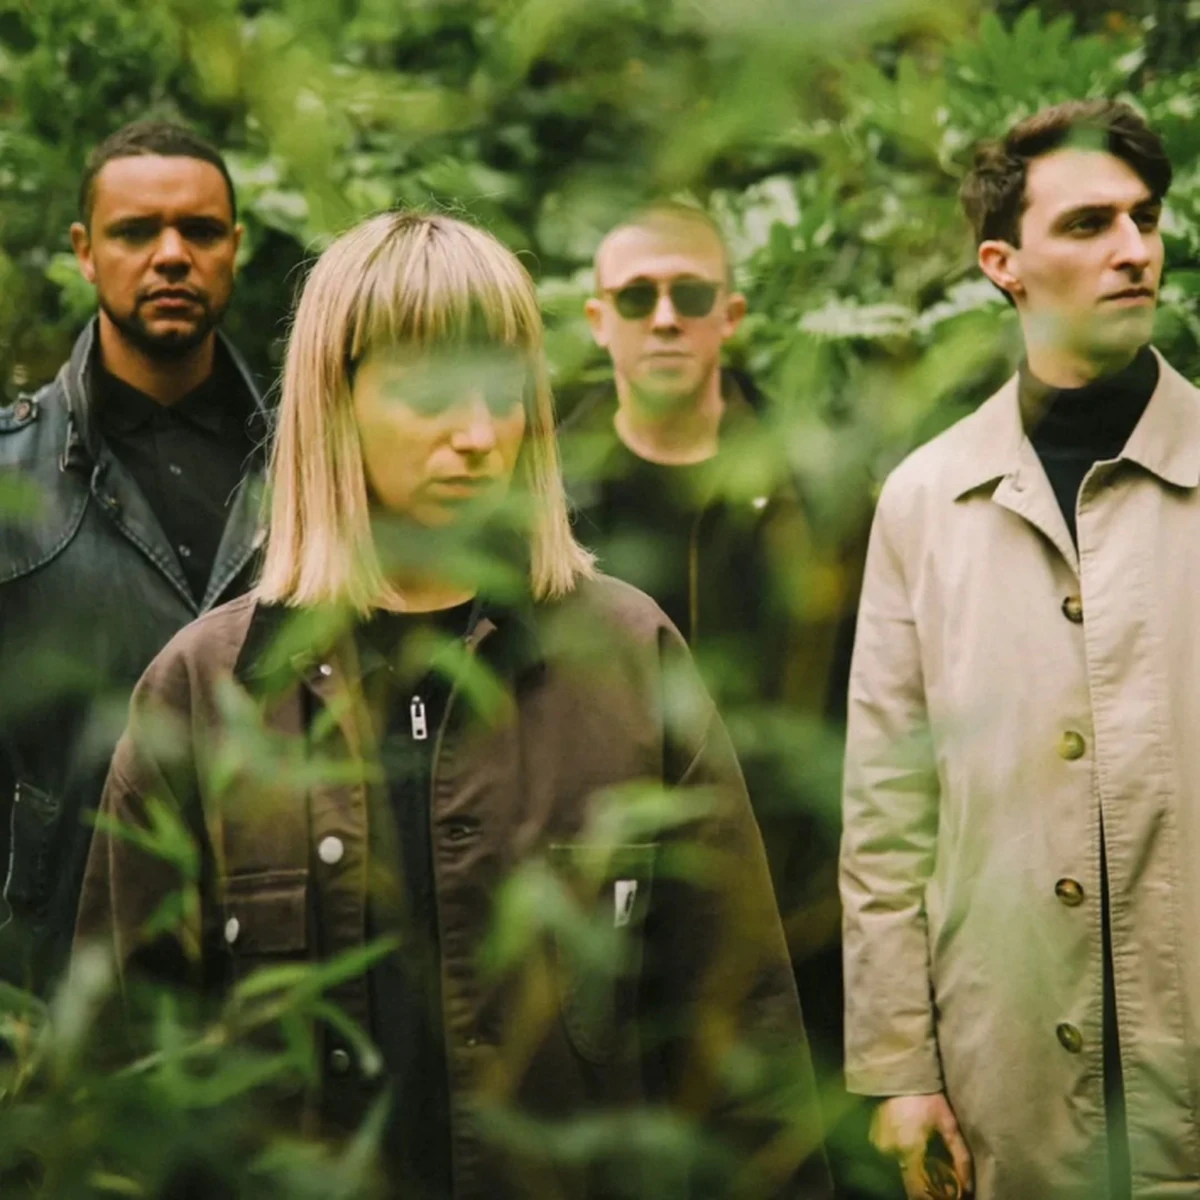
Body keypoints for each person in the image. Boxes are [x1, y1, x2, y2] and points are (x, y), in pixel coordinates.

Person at [75, 211, 832, 1199]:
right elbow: (125, 1085)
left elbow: (743, 1049)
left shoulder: (628, 659)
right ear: (335, 402)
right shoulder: (204, 694)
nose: (477, 434)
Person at [841, 98, 1199, 1200]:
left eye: (1145, 217)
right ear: (1003, 265)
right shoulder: (923, 501)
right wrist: (898, 1068)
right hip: (1008, 1075)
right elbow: (885, 809)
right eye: (1089, 224)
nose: (1134, 249)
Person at [561, 202, 852, 1053]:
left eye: (689, 294)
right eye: (636, 296)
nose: (664, 318)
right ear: (598, 320)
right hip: (602, 930)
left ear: (730, 315)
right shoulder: (547, 494)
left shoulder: (817, 488)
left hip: (797, 920)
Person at [0, 120, 266, 997]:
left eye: (200, 230)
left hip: (289, 974)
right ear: (85, 252)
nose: (172, 256)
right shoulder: (10, 480)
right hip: (66, 977)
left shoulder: (313, 467)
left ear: (235, 247)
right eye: (136, 231)